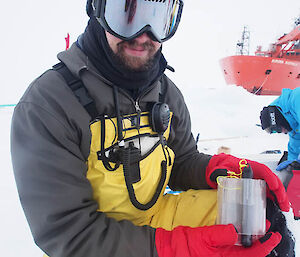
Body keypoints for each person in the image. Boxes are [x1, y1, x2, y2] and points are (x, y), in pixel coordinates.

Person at [11, 1, 293, 256]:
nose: (144, 34)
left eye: (158, 19)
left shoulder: (164, 92)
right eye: (127, 15)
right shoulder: (49, 104)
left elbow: (181, 161)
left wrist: (221, 169)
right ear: (98, 11)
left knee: (258, 222)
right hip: (98, 241)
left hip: (159, 216)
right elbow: (70, 235)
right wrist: (179, 247)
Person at [260, 87, 300, 219]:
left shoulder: (296, 99)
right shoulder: (294, 125)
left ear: (276, 117)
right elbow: (295, 145)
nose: (281, 132)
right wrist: (292, 161)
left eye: (276, 129)